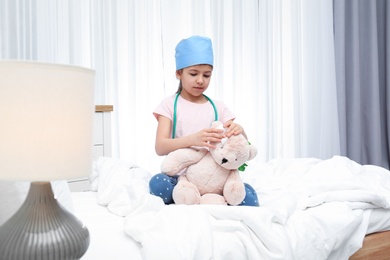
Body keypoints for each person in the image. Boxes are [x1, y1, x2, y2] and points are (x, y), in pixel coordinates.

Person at [149, 35, 259, 206]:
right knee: (158, 184)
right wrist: (193, 139)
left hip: (216, 178)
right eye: (193, 74)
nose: (200, 80)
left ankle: (216, 197)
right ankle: (188, 196)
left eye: (207, 75)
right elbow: (160, 147)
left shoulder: (219, 107)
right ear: (179, 73)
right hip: (183, 177)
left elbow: (241, 143)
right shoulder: (169, 105)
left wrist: (240, 130)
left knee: (248, 197)